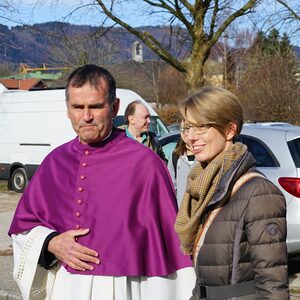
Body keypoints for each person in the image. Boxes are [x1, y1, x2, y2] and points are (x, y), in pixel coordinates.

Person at [8, 64, 195, 300]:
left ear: (114, 107)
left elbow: (165, 247)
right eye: (77, 107)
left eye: (95, 107)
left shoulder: (146, 165)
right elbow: (23, 228)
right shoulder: (54, 162)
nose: (86, 116)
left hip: (127, 288)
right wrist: (50, 243)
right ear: (67, 109)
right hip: (66, 288)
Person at [175, 86, 289, 299]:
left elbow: (273, 284)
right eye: (187, 128)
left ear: (229, 130)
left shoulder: (258, 193)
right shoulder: (204, 186)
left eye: (201, 127)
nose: (190, 137)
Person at [168, 121, 196, 207]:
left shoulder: (205, 155)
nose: (184, 133)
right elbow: (171, 186)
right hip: (182, 213)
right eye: (182, 129)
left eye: (187, 129)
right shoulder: (176, 155)